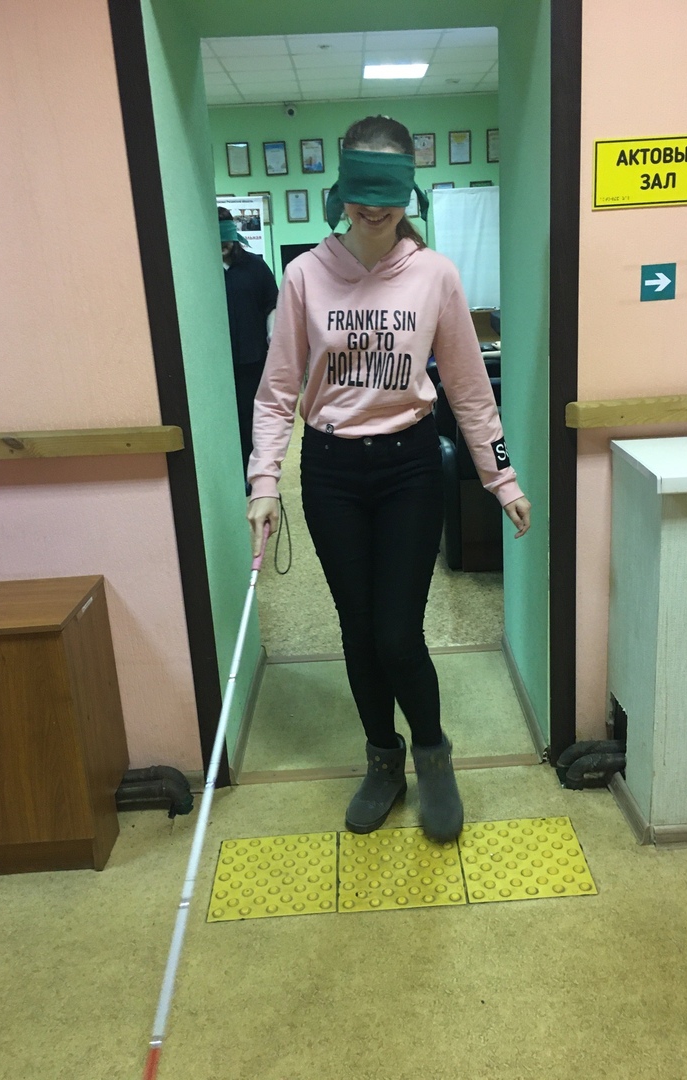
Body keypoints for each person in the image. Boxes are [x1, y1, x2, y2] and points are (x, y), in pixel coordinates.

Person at [247, 116, 531, 843]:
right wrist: (264, 481)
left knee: (397, 633)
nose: (373, 208)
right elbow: (277, 392)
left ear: (409, 190)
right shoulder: (304, 276)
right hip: (332, 471)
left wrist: (502, 477)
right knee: (358, 630)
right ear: (340, 187)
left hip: (409, 465)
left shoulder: (436, 275)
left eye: (389, 191)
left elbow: (470, 389)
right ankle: (383, 762)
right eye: (360, 190)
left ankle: (433, 757)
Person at [218, 206, 278, 485]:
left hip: (252, 359)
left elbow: (272, 303)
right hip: (216, 363)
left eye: (226, 238)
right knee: (224, 420)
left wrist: (272, 333)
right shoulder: (200, 270)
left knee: (253, 418)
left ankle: (256, 475)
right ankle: (231, 474)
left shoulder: (255, 266)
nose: (223, 245)